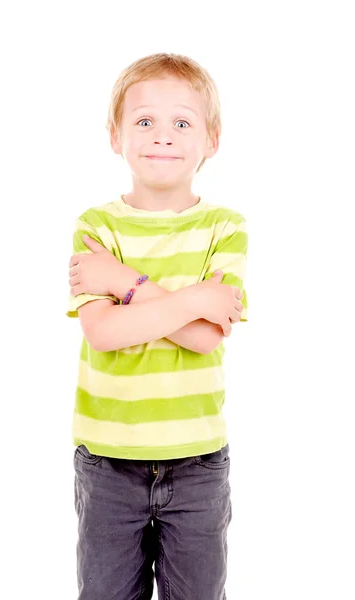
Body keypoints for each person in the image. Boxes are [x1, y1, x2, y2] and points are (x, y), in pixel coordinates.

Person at [66, 52, 248, 600]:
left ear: (211, 140)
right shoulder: (96, 226)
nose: (162, 136)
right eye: (144, 121)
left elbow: (205, 337)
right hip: (108, 463)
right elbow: (103, 332)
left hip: (197, 463)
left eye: (182, 123)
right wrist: (194, 299)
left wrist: (124, 281)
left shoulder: (225, 227)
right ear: (116, 136)